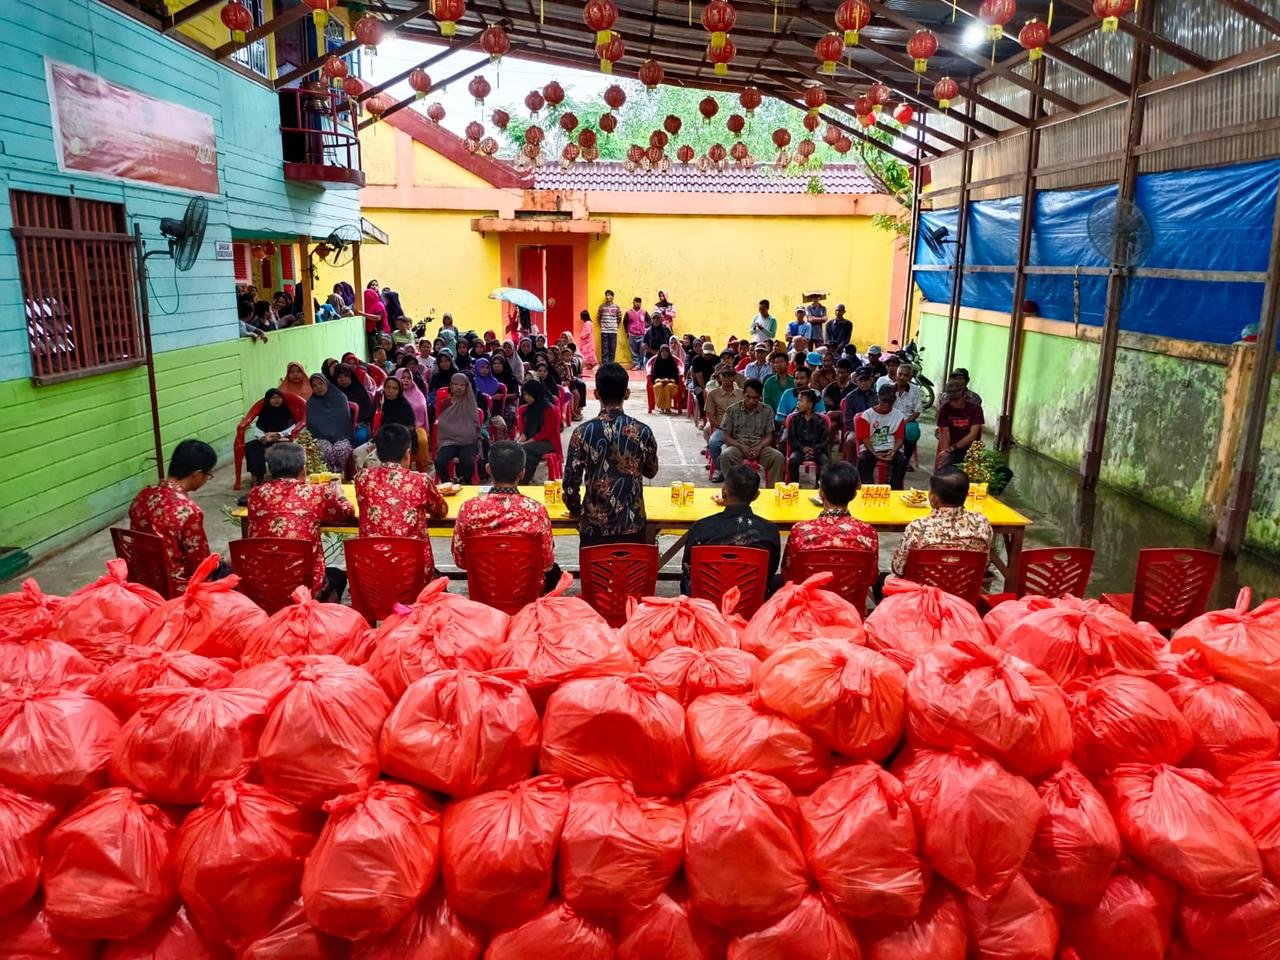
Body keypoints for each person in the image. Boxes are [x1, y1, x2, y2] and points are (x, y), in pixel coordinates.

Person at [562, 362, 659, 547]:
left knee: (595, 574)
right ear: (627, 393)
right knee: (629, 575)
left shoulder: (582, 432)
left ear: (596, 394)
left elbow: (570, 484)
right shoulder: (642, 431)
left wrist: (575, 509)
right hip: (632, 524)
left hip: (593, 527)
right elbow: (651, 471)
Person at [247, 442, 355, 601]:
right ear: (303, 469)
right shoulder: (317, 493)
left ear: (270, 469)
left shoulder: (255, 494)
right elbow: (346, 514)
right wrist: (340, 495)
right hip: (306, 588)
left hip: (263, 585)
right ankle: (318, 615)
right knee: (338, 574)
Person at [452, 441, 561, 593]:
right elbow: (547, 562)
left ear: (489, 469)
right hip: (525, 593)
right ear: (522, 473)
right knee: (555, 573)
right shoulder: (536, 511)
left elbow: (460, 561)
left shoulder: (469, 509)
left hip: (485, 591)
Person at [128, 439, 221, 584]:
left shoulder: (143, 496)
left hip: (142, 579)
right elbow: (200, 564)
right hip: (176, 586)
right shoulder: (188, 510)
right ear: (197, 474)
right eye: (208, 475)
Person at [680, 464, 781, 596]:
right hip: (750, 601)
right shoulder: (770, 531)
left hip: (707, 601)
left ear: (724, 491)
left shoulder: (701, 527)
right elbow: (770, 571)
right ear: (756, 495)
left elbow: (688, 568)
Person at [355, 425, 448, 567]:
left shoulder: (363, 478)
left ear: (377, 453)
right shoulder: (421, 481)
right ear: (407, 453)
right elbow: (441, 511)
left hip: (373, 574)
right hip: (414, 574)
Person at [891, 467, 993, 575]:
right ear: (966, 495)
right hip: (964, 589)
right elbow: (985, 565)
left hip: (924, 590)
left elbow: (899, 568)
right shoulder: (982, 524)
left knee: (887, 579)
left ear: (934, 498)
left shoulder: (919, 528)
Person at [781, 461, 877, 577]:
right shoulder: (868, 532)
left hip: (808, 594)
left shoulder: (800, 531)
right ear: (854, 496)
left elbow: (787, 573)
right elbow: (872, 576)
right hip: (851, 595)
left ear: (821, 493)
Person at [719, 378, 785, 485]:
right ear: (743, 394)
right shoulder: (732, 410)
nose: (751, 401)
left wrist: (759, 447)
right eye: (748, 397)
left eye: (755, 398)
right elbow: (726, 436)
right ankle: (732, 488)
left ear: (760, 397)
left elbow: (769, 436)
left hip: (760, 447)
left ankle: (773, 491)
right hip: (738, 447)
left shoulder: (767, 410)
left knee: (778, 457)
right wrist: (741, 446)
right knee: (726, 455)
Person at [855, 384, 908, 489]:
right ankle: (869, 488)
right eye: (884, 400)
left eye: (890, 401)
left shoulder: (899, 416)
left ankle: (894, 489)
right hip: (871, 448)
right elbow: (865, 439)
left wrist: (893, 451)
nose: (887, 404)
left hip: (890, 447)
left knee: (902, 461)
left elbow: (899, 438)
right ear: (878, 398)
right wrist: (875, 453)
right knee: (863, 460)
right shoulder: (867, 415)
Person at [243, 388, 300, 485]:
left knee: (280, 448)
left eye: (279, 397)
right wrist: (262, 437)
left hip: (283, 439)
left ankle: (282, 476)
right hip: (267, 440)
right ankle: (257, 476)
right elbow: (258, 430)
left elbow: (292, 428)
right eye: (273, 398)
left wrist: (278, 434)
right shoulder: (264, 413)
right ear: (268, 400)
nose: (276, 400)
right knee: (251, 446)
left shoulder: (286, 412)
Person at [435, 373, 482, 482]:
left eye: (462, 385)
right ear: (451, 386)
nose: (458, 387)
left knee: (468, 461)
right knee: (440, 461)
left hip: (468, 442)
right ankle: (446, 484)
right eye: (455, 384)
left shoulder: (470, 403)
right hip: (448, 442)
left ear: (466, 387)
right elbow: (442, 423)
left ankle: (466, 484)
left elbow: (474, 423)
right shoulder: (445, 403)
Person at [377, 374, 430, 471]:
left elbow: (408, 430)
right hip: (386, 437)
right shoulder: (386, 404)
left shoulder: (405, 406)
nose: (390, 391)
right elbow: (383, 425)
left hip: (401, 439)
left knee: (381, 460)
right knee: (359, 452)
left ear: (399, 391)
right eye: (388, 387)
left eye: (394, 388)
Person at [305, 373, 355, 474]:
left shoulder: (340, 398)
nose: (318, 387)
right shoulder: (311, 403)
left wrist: (338, 436)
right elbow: (312, 426)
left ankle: (341, 475)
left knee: (341, 449)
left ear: (326, 383)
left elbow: (345, 421)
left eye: (320, 383)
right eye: (314, 386)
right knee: (325, 450)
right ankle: (328, 476)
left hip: (341, 436)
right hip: (320, 437)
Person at [515, 379, 560, 482]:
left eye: (528, 395)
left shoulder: (549, 409)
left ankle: (524, 480)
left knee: (526, 449)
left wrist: (525, 443)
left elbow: (545, 433)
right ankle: (514, 478)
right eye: (524, 395)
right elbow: (526, 431)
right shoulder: (530, 409)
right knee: (514, 448)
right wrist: (518, 442)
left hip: (549, 443)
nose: (525, 397)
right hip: (533, 441)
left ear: (535, 393)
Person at [704, 365, 743, 482]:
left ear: (734, 377)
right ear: (720, 377)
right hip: (722, 428)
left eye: (730, 376)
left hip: (741, 428)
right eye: (724, 376)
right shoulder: (713, 394)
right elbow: (710, 417)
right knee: (713, 443)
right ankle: (722, 470)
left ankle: (740, 471)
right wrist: (722, 427)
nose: (727, 378)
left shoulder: (742, 393)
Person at [936, 378, 985, 468]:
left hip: (971, 449)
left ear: (964, 395)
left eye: (956, 400)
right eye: (950, 400)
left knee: (1005, 472)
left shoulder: (975, 409)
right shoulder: (945, 408)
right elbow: (944, 433)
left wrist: (952, 448)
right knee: (949, 467)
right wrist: (946, 452)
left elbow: (972, 435)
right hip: (953, 451)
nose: (952, 403)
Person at [787, 389, 830, 484]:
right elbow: (792, 438)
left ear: (810, 405)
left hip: (816, 451)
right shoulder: (794, 419)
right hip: (800, 450)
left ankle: (822, 486)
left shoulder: (820, 420)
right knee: (793, 460)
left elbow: (824, 440)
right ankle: (794, 485)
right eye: (798, 400)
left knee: (825, 461)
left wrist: (813, 449)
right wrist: (803, 449)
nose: (798, 403)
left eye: (801, 401)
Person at [891, 361, 924, 465]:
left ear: (910, 378)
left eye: (906, 375)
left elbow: (917, 411)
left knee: (913, 432)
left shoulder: (915, 390)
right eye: (900, 374)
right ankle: (891, 457)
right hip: (890, 418)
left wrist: (904, 422)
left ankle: (905, 460)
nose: (902, 377)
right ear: (896, 375)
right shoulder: (889, 388)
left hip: (908, 420)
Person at [331, 364, 373, 444]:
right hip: (340, 427)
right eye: (339, 377)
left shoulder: (359, 390)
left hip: (361, 424)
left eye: (345, 376)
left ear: (350, 376)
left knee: (360, 437)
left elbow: (367, 411)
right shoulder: (334, 394)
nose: (343, 379)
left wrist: (355, 423)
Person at [841, 366, 879, 445]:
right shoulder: (850, 397)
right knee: (850, 440)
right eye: (861, 380)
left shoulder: (877, 396)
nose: (864, 383)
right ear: (857, 381)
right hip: (855, 429)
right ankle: (850, 458)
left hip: (875, 428)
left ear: (871, 380)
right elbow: (848, 421)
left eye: (866, 380)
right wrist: (861, 430)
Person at [688, 341, 721, 425]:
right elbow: (699, 376)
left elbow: (718, 374)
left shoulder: (717, 359)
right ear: (702, 351)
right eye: (706, 354)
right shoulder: (696, 360)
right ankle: (704, 418)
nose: (708, 356)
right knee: (701, 395)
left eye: (710, 354)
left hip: (713, 383)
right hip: (699, 384)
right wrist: (704, 389)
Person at [649, 344, 682, 414]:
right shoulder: (657, 362)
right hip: (659, 381)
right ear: (660, 353)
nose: (664, 353)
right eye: (662, 351)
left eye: (666, 351)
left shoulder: (672, 362)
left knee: (668, 387)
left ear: (669, 353)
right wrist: (661, 380)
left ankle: (667, 407)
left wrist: (668, 380)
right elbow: (654, 376)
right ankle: (662, 407)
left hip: (670, 382)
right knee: (658, 386)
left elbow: (675, 376)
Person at [761, 351, 793, 416]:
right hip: (773, 417)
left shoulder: (794, 381)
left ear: (787, 364)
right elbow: (766, 402)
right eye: (777, 362)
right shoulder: (769, 382)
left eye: (782, 362)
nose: (779, 365)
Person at [624, 297, 649, 371]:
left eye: (639, 302)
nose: (637, 303)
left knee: (642, 351)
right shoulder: (628, 313)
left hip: (642, 335)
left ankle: (642, 365)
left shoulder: (644, 312)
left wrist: (645, 328)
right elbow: (625, 323)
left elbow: (650, 321)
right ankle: (636, 365)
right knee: (634, 351)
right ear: (633, 302)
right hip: (632, 335)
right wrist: (627, 331)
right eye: (636, 302)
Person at [596, 289, 621, 365]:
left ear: (613, 297)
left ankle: (611, 365)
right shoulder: (601, 307)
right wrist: (603, 326)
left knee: (612, 348)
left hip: (613, 331)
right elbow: (598, 317)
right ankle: (605, 365)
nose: (607, 297)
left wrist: (614, 325)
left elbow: (619, 318)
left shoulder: (617, 307)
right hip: (604, 331)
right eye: (606, 295)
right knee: (604, 349)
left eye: (609, 295)